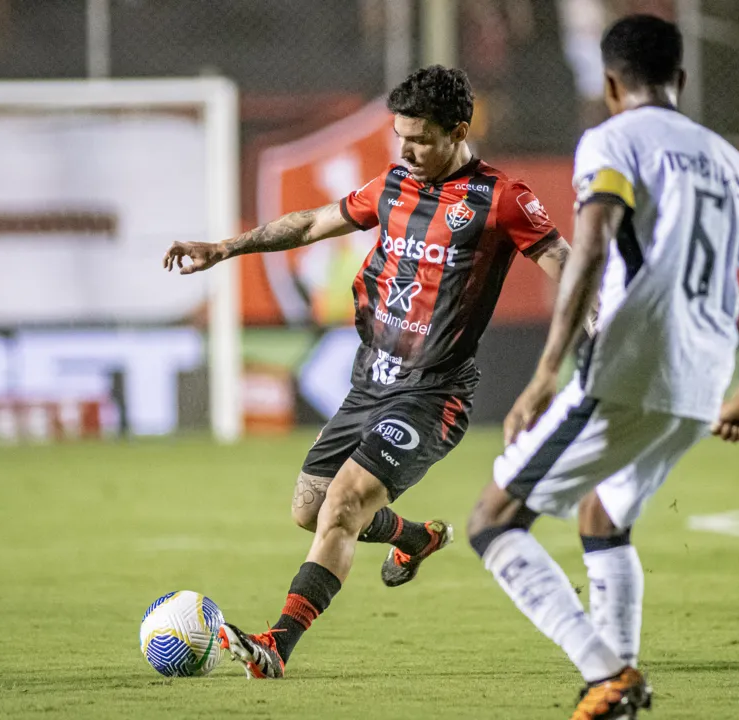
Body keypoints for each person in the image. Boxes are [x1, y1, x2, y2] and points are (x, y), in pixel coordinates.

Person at [163, 66, 576, 678]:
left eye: (419, 139)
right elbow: (309, 223)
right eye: (399, 136)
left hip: (433, 395)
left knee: (344, 505)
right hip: (370, 384)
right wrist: (225, 248)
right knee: (309, 506)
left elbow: (568, 267)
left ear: (459, 131)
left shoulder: (501, 200)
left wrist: (600, 330)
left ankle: (276, 645)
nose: (404, 150)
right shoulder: (394, 185)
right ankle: (415, 537)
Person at [464, 15, 739, 719]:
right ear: (679, 80)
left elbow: (589, 247)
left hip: (629, 365)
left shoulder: (612, 140)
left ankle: (605, 672)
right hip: (704, 382)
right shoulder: (732, 162)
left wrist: (546, 370)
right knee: (603, 515)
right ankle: (616, 687)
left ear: (612, 83)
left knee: (493, 522)